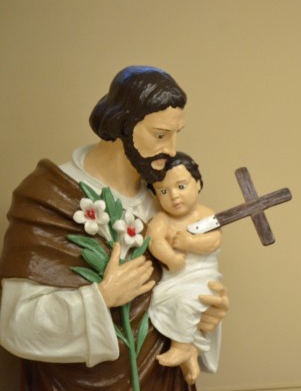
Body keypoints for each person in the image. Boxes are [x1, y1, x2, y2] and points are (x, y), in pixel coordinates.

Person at [0, 66, 229, 390]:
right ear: (121, 124)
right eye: (160, 135)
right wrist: (101, 298)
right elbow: (16, 324)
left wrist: (203, 318)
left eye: (177, 134)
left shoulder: (163, 200)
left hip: (162, 379)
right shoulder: (50, 196)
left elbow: (184, 286)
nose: (172, 150)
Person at [146, 152, 223, 385]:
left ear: (197, 184)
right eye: (163, 191)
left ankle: (181, 347)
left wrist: (190, 243)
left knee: (188, 302)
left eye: (181, 186)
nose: (174, 196)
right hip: (173, 277)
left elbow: (214, 241)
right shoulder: (162, 219)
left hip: (200, 276)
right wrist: (170, 257)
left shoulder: (205, 214)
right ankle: (188, 350)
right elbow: (153, 240)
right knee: (160, 301)